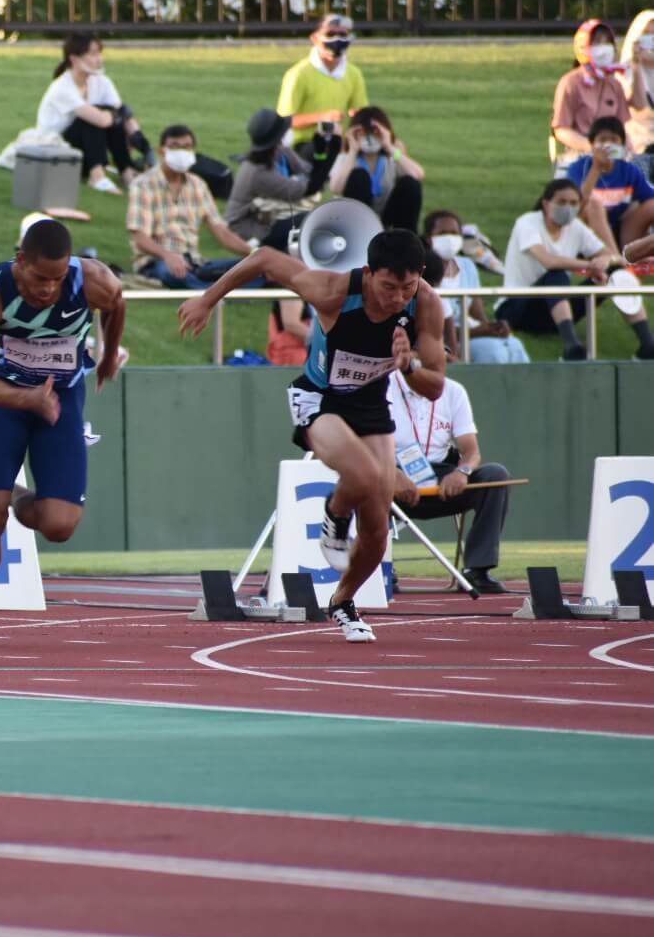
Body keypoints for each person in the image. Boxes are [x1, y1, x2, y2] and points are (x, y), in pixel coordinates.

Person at [179, 229, 447, 644]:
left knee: (377, 530)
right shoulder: (333, 291)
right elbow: (265, 257)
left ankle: (342, 601)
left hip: (371, 405)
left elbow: (435, 387)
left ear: (420, 277)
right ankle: (336, 517)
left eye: (406, 288)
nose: (397, 299)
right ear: (368, 272)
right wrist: (206, 299)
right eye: (388, 287)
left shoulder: (426, 303)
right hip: (320, 398)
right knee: (363, 474)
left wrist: (408, 365)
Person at [0, 218, 127, 648]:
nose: (49, 290)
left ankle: (16, 495)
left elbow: (117, 303)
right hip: (5, 399)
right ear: (20, 260)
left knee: (59, 526)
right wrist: (26, 398)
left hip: (62, 400)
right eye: (39, 278)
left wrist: (107, 354)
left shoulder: (93, 281)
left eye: (57, 279)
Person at [494, 178, 654, 361]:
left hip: (554, 308)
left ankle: (647, 345)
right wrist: (592, 266)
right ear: (546, 204)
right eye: (562, 202)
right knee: (557, 275)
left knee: (616, 273)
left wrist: (607, 261)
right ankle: (572, 348)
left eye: (573, 203)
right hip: (516, 310)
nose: (568, 208)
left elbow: (614, 258)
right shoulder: (527, 223)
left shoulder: (576, 227)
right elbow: (549, 262)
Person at [387, 372, 513, 596]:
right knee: (365, 479)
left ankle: (477, 570)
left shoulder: (454, 391)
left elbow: (471, 452)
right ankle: (382, 568)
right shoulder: (382, 386)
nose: (433, 365)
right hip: (391, 472)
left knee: (495, 475)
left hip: (443, 476)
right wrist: (392, 473)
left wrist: (462, 472)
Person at [126, 125, 256, 289]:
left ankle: (208, 290)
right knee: (173, 274)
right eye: (174, 146)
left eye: (186, 147)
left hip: (195, 263)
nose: (181, 151)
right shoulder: (143, 185)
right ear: (161, 151)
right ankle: (215, 293)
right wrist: (167, 256)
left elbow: (222, 232)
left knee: (256, 269)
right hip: (158, 262)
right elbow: (140, 239)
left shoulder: (198, 185)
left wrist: (254, 254)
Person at [34, 32, 149, 195]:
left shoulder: (101, 81)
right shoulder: (62, 88)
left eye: (99, 53)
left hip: (87, 148)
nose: (99, 59)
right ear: (74, 59)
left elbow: (123, 111)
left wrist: (138, 138)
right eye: (93, 54)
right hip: (57, 153)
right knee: (92, 118)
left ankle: (127, 171)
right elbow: (103, 119)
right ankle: (96, 176)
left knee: (107, 114)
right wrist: (116, 114)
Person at [224, 107, 339, 251]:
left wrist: (321, 153)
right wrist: (335, 146)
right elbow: (311, 188)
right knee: (309, 221)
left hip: (265, 218)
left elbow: (311, 173)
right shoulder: (259, 173)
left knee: (308, 219)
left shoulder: (280, 152)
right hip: (248, 228)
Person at [423, 211, 528, 364]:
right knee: (493, 351)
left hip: (472, 332)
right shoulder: (425, 269)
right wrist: (478, 332)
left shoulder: (467, 266)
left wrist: (493, 328)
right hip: (449, 340)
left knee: (514, 345)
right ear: (428, 238)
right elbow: (435, 328)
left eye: (454, 233)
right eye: (442, 233)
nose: (449, 238)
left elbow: (479, 316)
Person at [552, 19, 647, 172]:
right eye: (597, 42)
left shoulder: (613, 83)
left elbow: (639, 106)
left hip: (614, 154)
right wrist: (592, 147)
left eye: (607, 42)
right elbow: (561, 130)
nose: (603, 48)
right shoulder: (570, 82)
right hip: (580, 154)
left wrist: (636, 66)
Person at [276, 14, 369, 157]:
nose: (337, 39)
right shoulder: (299, 74)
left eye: (342, 34)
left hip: (339, 142)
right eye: (330, 34)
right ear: (315, 38)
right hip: (304, 144)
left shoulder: (353, 74)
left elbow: (359, 111)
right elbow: (284, 121)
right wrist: (322, 117)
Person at [327, 106, 424, 233]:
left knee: (410, 184)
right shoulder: (347, 159)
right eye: (364, 133)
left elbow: (417, 175)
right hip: (356, 221)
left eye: (375, 132)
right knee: (359, 176)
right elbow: (336, 187)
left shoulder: (392, 159)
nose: (369, 137)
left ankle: (405, 238)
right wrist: (353, 150)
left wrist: (389, 147)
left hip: (387, 218)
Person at [565, 116, 654, 252]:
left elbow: (649, 198)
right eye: (602, 140)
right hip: (586, 232)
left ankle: (630, 254)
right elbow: (576, 205)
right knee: (593, 206)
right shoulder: (578, 168)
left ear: (622, 145)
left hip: (622, 230)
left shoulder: (629, 171)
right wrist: (596, 168)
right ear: (592, 144)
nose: (608, 145)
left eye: (613, 140)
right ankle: (614, 258)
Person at [621, 12, 654, 156]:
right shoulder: (625, 70)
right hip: (639, 141)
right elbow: (639, 108)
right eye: (646, 34)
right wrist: (637, 65)